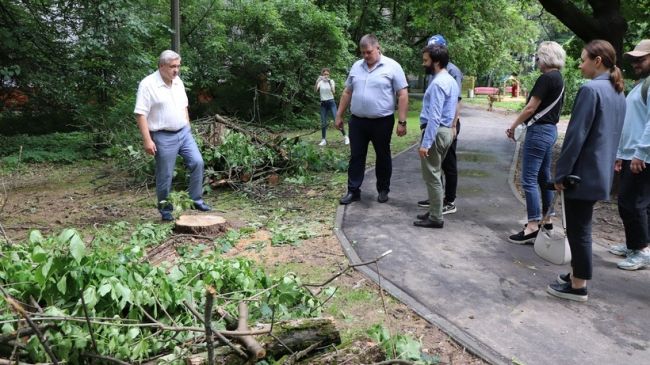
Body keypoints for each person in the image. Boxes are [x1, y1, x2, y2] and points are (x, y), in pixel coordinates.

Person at [546, 40, 626, 302]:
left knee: (579, 229)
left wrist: (560, 174)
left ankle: (579, 285)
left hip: (580, 174)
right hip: (599, 171)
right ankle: (575, 274)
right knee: (582, 226)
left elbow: (575, 137)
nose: (580, 65)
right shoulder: (617, 91)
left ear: (598, 61)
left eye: (583, 60)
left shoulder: (591, 90)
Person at [134, 50, 211, 221]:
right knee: (165, 174)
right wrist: (147, 140)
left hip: (183, 133)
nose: (176, 70)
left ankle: (195, 199)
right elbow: (140, 114)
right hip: (162, 136)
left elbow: (184, 106)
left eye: (178, 66)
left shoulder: (178, 82)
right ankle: (165, 209)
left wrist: (188, 127)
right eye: (172, 67)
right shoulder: (148, 85)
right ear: (161, 66)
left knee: (197, 162)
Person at [335, 34, 409, 204]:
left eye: (369, 52)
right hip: (358, 121)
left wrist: (402, 121)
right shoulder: (356, 67)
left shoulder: (392, 66)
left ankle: (383, 189)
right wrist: (339, 115)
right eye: (363, 53)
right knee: (356, 156)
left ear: (378, 48)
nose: (366, 56)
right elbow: (347, 92)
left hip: (382, 121)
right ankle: (353, 190)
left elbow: (403, 94)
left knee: (382, 155)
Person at [505, 41, 565, 244]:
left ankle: (532, 225)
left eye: (538, 57)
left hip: (538, 132)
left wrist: (513, 126)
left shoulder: (546, 78)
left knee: (528, 179)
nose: (537, 61)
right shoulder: (559, 78)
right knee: (544, 177)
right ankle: (547, 220)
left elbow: (531, 108)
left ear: (546, 57)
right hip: (550, 132)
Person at [609, 39, 650, 270]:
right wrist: (620, 154)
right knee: (638, 203)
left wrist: (640, 154)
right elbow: (632, 122)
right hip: (631, 154)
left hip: (641, 157)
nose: (636, 63)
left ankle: (641, 249)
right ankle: (636, 245)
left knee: (630, 203)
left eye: (641, 59)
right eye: (634, 60)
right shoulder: (642, 83)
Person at [413, 44, 459, 228]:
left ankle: (436, 218)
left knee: (432, 176)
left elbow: (435, 116)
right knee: (436, 174)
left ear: (436, 61)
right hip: (445, 131)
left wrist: (426, 142)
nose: (424, 64)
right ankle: (434, 211)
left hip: (436, 131)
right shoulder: (450, 80)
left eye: (426, 60)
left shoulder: (439, 83)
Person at [315, 68, 349, 147]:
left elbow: (333, 92)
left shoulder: (331, 81)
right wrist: (317, 81)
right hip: (323, 104)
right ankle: (323, 140)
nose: (326, 76)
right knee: (323, 122)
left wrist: (330, 83)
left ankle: (346, 137)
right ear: (322, 75)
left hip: (331, 102)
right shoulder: (320, 82)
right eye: (325, 74)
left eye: (327, 74)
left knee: (336, 119)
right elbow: (315, 90)